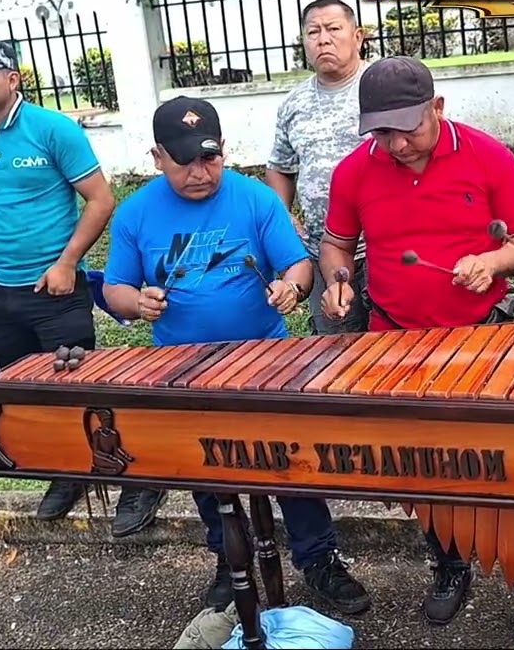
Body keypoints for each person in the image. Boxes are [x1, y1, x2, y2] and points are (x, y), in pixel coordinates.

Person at [316, 56, 514, 650]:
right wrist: (337, 279)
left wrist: (492, 262)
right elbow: (335, 244)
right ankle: (449, 563)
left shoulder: (487, 155)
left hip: (486, 333)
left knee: (509, 465)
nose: (398, 144)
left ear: (438, 108)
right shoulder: (355, 170)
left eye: (409, 128)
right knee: (422, 466)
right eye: (382, 131)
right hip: (394, 337)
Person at [100, 95, 372, 617]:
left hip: (266, 358)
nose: (200, 173)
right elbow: (114, 289)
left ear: (224, 149)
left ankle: (318, 558)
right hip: (185, 364)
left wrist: (290, 289)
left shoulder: (255, 199)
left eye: (210, 158)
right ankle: (230, 559)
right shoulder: (136, 212)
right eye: (185, 162)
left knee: (293, 461)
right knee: (204, 467)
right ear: (158, 157)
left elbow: (298, 266)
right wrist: (137, 301)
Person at [0, 36, 161, 534]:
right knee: (27, 394)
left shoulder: (53, 130)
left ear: (13, 79)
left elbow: (101, 200)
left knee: (82, 390)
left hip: (56, 292)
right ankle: (66, 474)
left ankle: (134, 478)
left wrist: (67, 263)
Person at [265, 0, 371, 334]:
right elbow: (280, 165)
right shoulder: (293, 104)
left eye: (333, 29)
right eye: (313, 31)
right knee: (338, 350)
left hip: (383, 246)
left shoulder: (382, 88)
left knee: (398, 349)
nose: (323, 38)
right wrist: (284, 214)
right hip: (323, 250)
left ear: (358, 36)